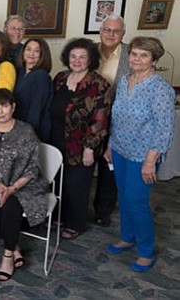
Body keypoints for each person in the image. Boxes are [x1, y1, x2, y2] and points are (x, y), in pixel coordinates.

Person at [105, 37, 175, 273]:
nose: (136, 59)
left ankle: (146, 250)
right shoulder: (125, 81)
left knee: (137, 201)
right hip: (120, 149)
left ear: (154, 60)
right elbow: (117, 118)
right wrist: (109, 146)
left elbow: (164, 128)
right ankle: (127, 236)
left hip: (143, 156)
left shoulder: (160, 88)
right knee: (123, 196)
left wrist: (150, 162)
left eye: (143, 55)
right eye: (134, 54)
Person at [0, 88, 48, 282]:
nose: (0, 111)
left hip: (24, 186)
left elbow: (33, 166)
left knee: (11, 207)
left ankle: (7, 255)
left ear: (13, 107)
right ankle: (15, 247)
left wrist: (12, 188)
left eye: (4, 106)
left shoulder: (26, 130)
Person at [50, 38, 111, 240]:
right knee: (58, 181)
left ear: (90, 59)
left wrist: (90, 147)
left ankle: (75, 223)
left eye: (82, 57)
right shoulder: (59, 78)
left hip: (81, 144)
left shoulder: (99, 84)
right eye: (73, 56)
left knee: (77, 185)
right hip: (56, 140)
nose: (77, 61)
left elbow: (100, 120)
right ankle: (59, 215)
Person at [94, 14, 130, 227]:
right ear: (100, 31)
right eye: (107, 29)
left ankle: (103, 211)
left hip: (117, 116)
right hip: (91, 117)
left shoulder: (130, 54)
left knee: (110, 165)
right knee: (85, 163)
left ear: (122, 34)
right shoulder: (90, 50)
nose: (111, 34)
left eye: (116, 31)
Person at [13, 38, 53, 142]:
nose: (31, 54)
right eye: (28, 49)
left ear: (42, 55)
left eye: (36, 51)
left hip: (31, 131)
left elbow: (37, 109)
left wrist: (28, 134)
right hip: (16, 126)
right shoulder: (20, 73)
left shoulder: (41, 76)